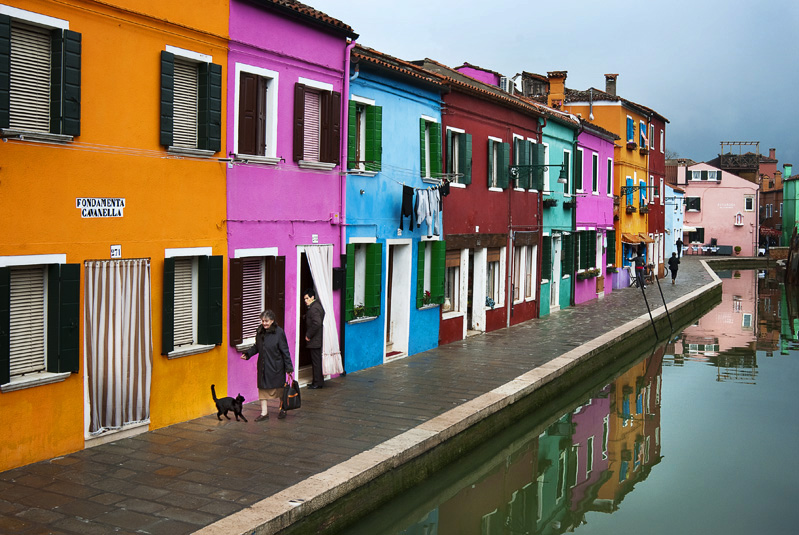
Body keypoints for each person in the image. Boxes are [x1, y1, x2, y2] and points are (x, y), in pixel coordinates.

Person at [241, 310, 293, 421]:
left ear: (272, 321)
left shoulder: (279, 332)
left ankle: (282, 409)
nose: (264, 323)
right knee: (262, 389)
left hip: (276, 367)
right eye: (263, 321)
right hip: (264, 366)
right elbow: (256, 346)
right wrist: (248, 354)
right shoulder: (260, 331)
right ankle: (264, 413)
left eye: (266, 321)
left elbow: (285, 351)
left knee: (280, 390)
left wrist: (289, 367)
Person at [303, 287, 325, 389]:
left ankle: (317, 383)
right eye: (304, 299)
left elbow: (317, 323)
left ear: (312, 297)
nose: (306, 301)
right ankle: (318, 381)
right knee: (317, 360)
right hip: (317, 339)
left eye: (307, 298)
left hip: (315, 339)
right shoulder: (316, 306)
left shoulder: (314, 308)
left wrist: (308, 335)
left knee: (316, 361)